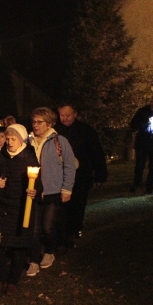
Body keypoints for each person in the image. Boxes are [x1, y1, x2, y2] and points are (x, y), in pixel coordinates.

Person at [0, 124, 41, 296]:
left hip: (21, 208)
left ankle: (12, 282)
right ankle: (0, 280)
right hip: (2, 207)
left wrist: (34, 191)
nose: (9, 142)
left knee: (18, 248)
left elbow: (38, 182)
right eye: (7, 138)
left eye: (13, 139)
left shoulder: (29, 158)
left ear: (21, 139)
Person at [26, 107, 76, 277]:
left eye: (39, 122)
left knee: (47, 227)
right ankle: (33, 261)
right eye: (33, 121)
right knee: (33, 229)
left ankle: (49, 251)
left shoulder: (60, 142)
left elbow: (69, 165)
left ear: (49, 124)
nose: (35, 125)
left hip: (52, 191)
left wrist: (66, 188)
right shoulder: (28, 141)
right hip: (33, 191)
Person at [55, 103, 108, 246]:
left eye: (67, 115)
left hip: (81, 175)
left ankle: (74, 229)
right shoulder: (55, 131)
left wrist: (100, 175)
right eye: (62, 115)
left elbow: (96, 153)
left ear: (75, 114)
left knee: (78, 203)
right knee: (62, 205)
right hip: (61, 175)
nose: (64, 118)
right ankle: (63, 231)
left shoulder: (86, 131)